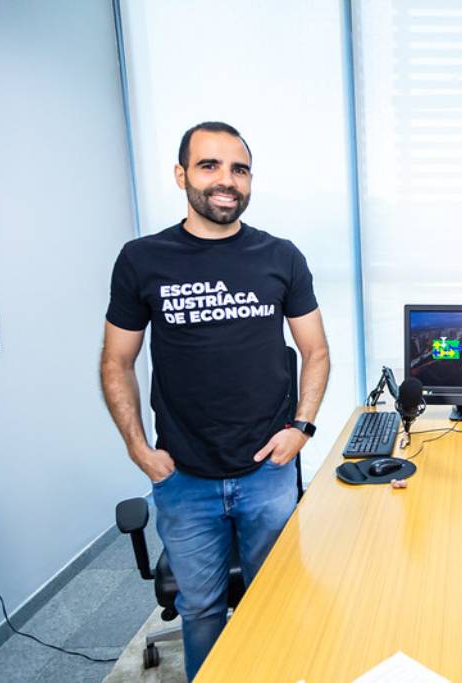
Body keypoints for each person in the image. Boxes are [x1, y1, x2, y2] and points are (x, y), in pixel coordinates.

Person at [100, 121, 331, 679]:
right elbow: (116, 362)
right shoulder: (142, 259)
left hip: (268, 472)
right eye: (209, 166)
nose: (226, 180)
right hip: (183, 476)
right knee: (201, 609)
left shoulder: (281, 256)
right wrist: (138, 449)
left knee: (273, 599)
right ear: (182, 175)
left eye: (239, 168)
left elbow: (316, 351)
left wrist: (302, 427)